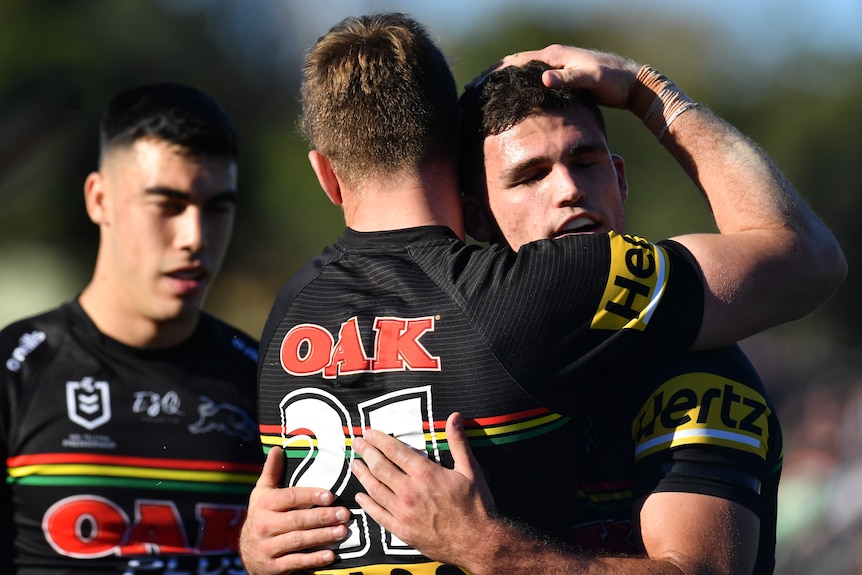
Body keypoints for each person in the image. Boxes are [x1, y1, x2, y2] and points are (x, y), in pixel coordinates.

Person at [242, 13, 845, 575]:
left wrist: (491, 548)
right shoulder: (502, 307)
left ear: (621, 178)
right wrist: (259, 544)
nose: (568, 191)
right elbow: (803, 255)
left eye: (586, 162)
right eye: (529, 175)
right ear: (472, 211)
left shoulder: (691, 359)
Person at [0, 82, 261, 574]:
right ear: (99, 199)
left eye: (217, 209)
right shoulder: (16, 369)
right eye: (167, 204)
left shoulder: (266, 380)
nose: (195, 237)